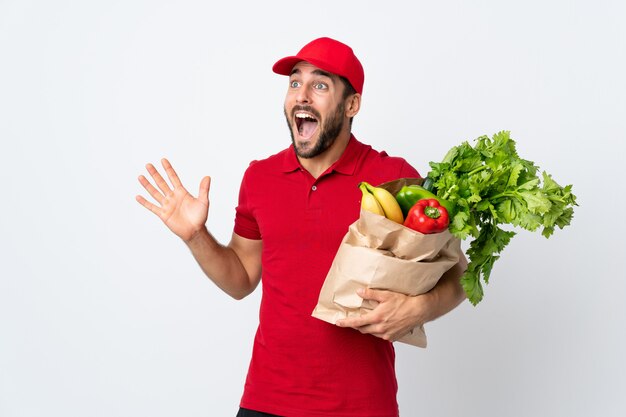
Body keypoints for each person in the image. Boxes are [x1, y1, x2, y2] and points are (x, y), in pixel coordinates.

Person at [136, 37, 467, 417]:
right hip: (266, 401)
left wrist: (418, 309)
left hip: (360, 406)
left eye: (320, 85)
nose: (302, 95)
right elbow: (240, 278)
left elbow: (458, 275)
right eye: (295, 83)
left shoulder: (393, 179)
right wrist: (196, 236)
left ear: (352, 104)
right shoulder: (260, 177)